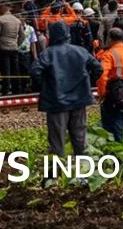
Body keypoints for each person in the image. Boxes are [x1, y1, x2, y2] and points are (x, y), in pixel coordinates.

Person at [30, 21, 103, 187]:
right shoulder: (81, 51)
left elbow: (35, 71)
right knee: (80, 139)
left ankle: (54, 178)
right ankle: (85, 176)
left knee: (57, 141)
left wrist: (47, 85)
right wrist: (85, 81)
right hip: (79, 101)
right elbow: (98, 68)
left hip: (57, 103)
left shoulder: (48, 54)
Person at [0, 3, 23, 95]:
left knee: (5, 71)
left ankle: (5, 92)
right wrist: (17, 44)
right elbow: (22, 36)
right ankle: (16, 91)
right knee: (15, 70)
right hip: (14, 48)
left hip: (3, 48)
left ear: (3, 8)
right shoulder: (17, 21)